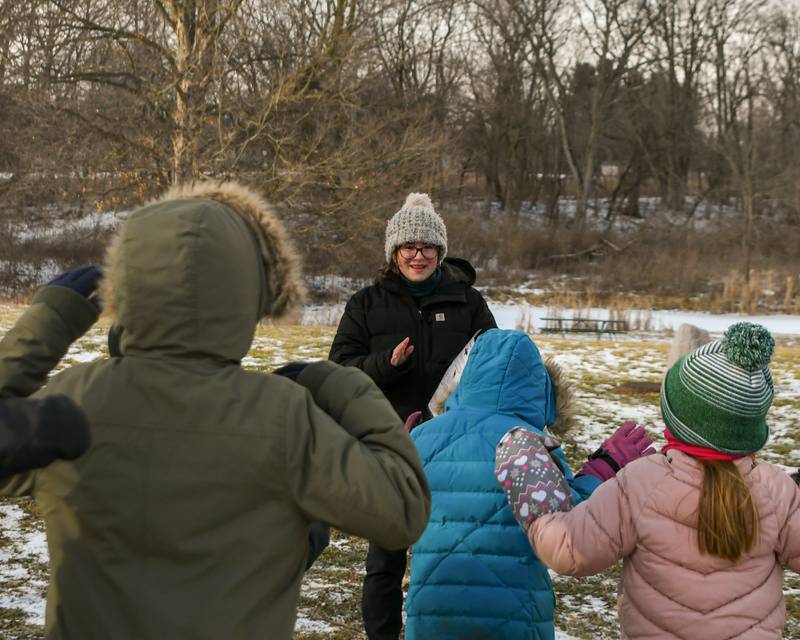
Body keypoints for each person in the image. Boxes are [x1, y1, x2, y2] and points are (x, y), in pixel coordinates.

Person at [0, 182, 431, 640]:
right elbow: (402, 508)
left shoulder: (77, 397)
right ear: (251, 291)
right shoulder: (283, 416)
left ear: (126, 280)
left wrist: (47, 323)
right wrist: (342, 385)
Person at [526, 322, 800, 639]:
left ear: (675, 414)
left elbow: (569, 550)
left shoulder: (641, 482)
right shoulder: (777, 489)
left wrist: (536, 498)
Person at [405, 328, 654, 640]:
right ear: (539, 388)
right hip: (514, 616)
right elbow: (568, 523)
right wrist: (602, 468)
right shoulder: (531, 443)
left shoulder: (424, 437)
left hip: (433, 613)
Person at [328, 192, 497, 640]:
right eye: (408, 247)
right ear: (393, 253)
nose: (417, 255)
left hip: (454, 450)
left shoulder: (468, 302)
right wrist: (386, 364)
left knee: (446, 553)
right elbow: (340, 371)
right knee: (386, 558)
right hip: (391, 445)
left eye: (426, 247)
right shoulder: (365, 305)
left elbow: (494, 364)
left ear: (440, 252)